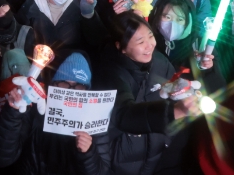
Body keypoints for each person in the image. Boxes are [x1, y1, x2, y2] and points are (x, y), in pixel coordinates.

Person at [86, 12, 201, 175]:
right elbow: (124, 114)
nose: (150, 45)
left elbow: (172, 88)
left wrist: (181, 94)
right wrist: (172, 112)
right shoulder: (109, 74)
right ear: (121, 48)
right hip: (123, 161)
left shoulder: (160, 61)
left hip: (157, 154)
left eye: (150, 36)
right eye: (140, 42)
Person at [0, 51, 96, 175]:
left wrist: (88, 154)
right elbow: (2, 159)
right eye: (64, 84)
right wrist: (12, 114)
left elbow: (100, 171)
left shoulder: (94, 120)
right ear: (53, 84)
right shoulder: (34, 108)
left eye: (79, 86)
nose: (71, 92)